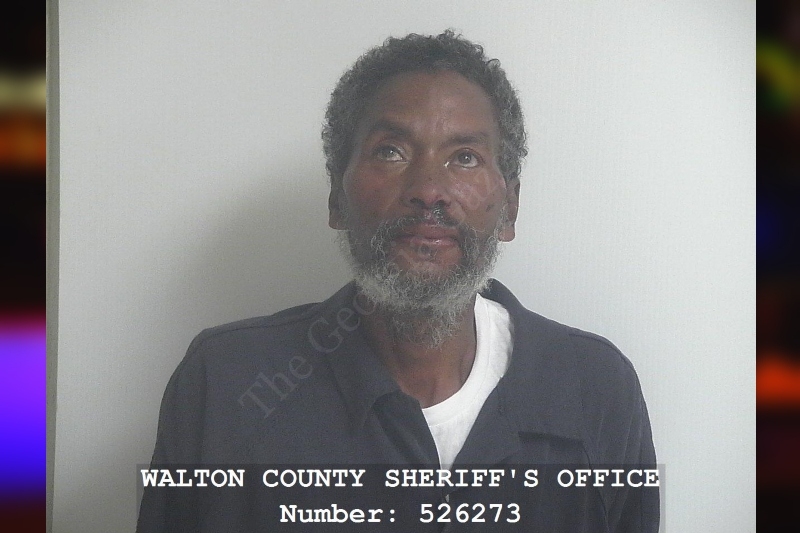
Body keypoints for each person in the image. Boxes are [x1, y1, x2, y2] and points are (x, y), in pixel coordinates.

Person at [137, 30, 659, 532]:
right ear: (336, 197)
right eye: (391, 151)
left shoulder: (594, 388)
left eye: (465, 158)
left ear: (510, 206)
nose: (429, 190)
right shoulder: (226, 384)